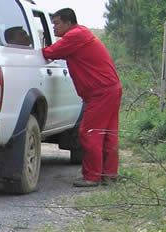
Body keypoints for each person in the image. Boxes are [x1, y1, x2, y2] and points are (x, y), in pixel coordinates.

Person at [42, 7, 122, 187]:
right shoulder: (81, 34)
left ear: (68, 23)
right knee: (107, 134)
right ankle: (109, 175)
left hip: (100, 92)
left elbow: (49, 53)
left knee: (89, 132)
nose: (54, 28)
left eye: (57, 23)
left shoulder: (74, 36)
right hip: (110, 89)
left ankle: (92, 177)